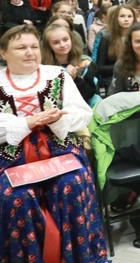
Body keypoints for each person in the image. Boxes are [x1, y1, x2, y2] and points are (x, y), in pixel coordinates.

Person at [0, 25, 108, 261]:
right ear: (3, 53)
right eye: (21, 47)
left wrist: (59, 119)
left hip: (60, 148)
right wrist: (26, 124)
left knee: (72, 184)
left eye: (33, 47)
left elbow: (83, 113)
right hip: (9, 155)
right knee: (16, 196)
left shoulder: (56, 75)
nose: (29, 52)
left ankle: (79, 257)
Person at [41, 23, 100, 107]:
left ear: (71, 40)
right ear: (49, 46)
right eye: (56, 42)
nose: (62, 45)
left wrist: (75, 78)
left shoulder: (85, 63)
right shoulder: (44, 67)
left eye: (65, 40)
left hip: (83, 108)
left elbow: (89, 94)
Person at [92, 4, 135, 91]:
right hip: (112, 81)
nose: (126, 19)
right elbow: (99, 68)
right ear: (116, 18)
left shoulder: (138, 38)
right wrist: (124, 67)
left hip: (136, 80)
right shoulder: (106, 38)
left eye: (129, 16)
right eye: (122, 16)